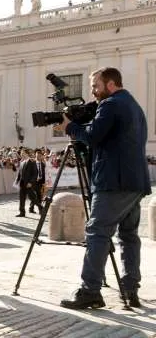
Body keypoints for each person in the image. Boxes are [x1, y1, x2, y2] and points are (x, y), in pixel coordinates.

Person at [58, 67, 151, 309]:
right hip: (135, 182)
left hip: (113, 182)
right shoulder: (135, 106)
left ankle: (90, 290)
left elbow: (93, 136)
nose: (93, 92)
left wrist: (70, 127)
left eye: (96, 86)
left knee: (97, 232)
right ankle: (130, 289)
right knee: (129, 235)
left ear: (110, 84)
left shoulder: (110, 104)